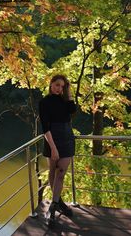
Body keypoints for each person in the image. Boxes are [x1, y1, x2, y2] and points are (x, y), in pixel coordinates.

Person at [39, 74, 77, 227]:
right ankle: (58, 201)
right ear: (51, 84)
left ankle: (53, 207)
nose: (59, 89)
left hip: (67, 137)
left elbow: (73, 110)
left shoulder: (66, 101)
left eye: (62, 86)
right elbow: (45, 127)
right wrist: (53, 148)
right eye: (57, 85)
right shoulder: (44, 102)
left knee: (61, 173)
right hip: (52, 138)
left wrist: (67, 93)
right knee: (53, 171)